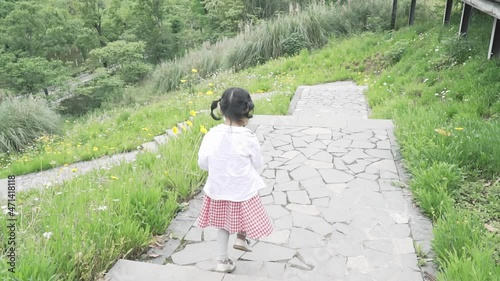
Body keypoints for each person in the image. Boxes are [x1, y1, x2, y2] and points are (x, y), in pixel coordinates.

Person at [196, 87, 273, 273]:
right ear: (246, 110)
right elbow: (257, 164)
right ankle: (241, 237)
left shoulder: (211, 135)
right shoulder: (248, 137)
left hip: (218, 189)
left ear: (221, 110)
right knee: (243, 213)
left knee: (223, 225)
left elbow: (203, 164)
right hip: (242, 189)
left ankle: (222, 261)